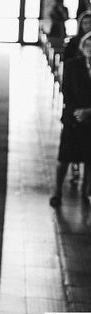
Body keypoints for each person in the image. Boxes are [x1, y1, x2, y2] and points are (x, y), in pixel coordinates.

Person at [50, 29, 91, 207]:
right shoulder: (73, 65)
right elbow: (66, 90)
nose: (90, 48)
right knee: (64, 157)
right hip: (73, 118)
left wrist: (88, 112)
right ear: (83, 47)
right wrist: (77, 112)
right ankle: (57, 191)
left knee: (89, 158)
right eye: (88, 45)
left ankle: (86, 192)